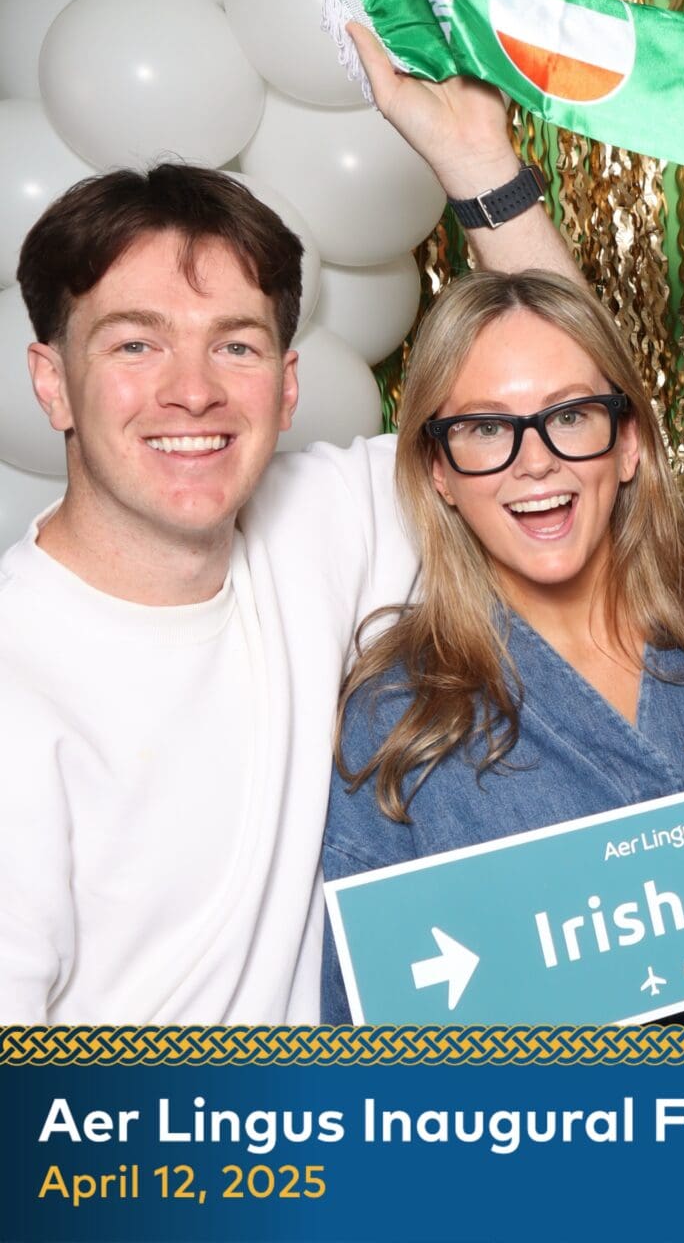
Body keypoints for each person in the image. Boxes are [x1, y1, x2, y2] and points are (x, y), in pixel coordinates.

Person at [319, 271, 684, 1026]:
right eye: (486, 428)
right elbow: (364, 1031)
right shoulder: (397, 713)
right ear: (439, 472)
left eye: (569, 415)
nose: (534, 461)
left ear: (628, 443)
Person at [0, 164, 415, 1023]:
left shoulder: (316, 521)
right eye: (134, 345)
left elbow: (568, 408)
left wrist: (481, 173)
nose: (194, 391)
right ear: (52, 383)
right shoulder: (18, 682)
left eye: (235, 346)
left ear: (287, 386)